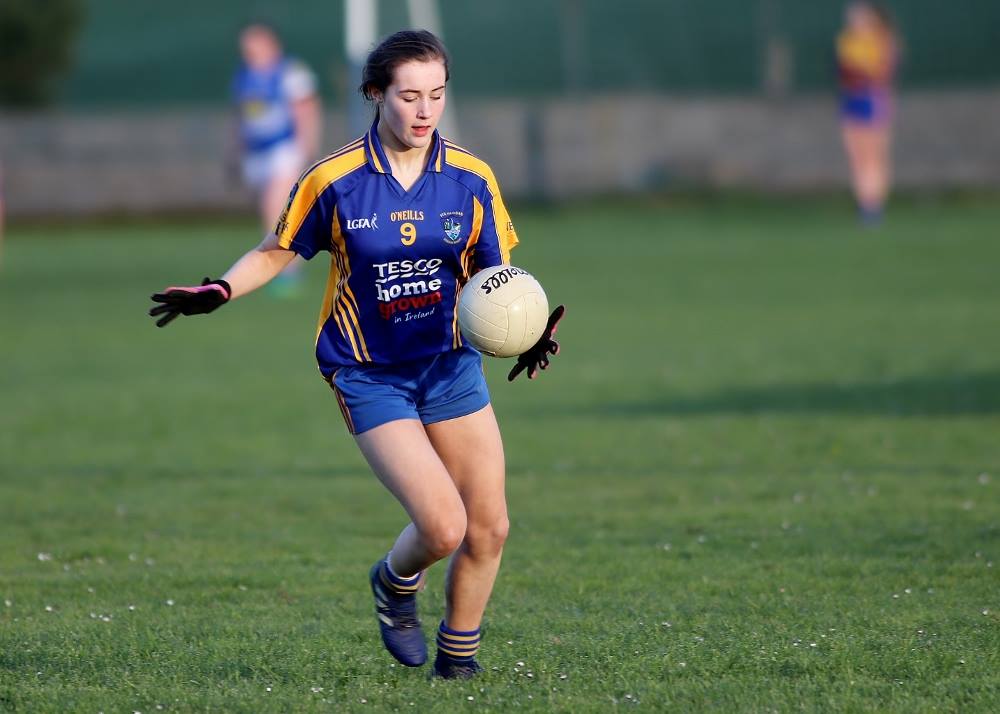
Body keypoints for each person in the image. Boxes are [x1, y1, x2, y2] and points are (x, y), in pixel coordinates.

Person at [150, 29, 564, 680]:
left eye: (436, 95)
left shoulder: (471, 178)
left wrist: (527, 331)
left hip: (449, 366)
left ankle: (458, 665)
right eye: (409, 96)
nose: (425, 111)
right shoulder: (335, 180)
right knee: (443, 528)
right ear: (375, 94)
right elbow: (276, 251)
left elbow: (497, 283)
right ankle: (394, 582)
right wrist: (221, 289)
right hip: (368, 373)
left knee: (489, 528)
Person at [230, 22, 322, 294]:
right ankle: (282, 262)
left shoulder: (291, 72)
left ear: (271, 44)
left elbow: (306, 110)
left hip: (285, 149)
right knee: (270, 209)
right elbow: (241, 120)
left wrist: (306, 149)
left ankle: (288, 272)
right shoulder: (244, 76)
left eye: (255, 44)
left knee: (275, 206)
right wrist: (234, 152)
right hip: (257, 153)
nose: (249, 51)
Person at [836, 1, 899, 226]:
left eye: (860, 16)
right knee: (857, 157)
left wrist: (860, 72)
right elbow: (844, 73)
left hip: (873, 100)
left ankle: (873, 206)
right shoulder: (847, 41)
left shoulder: (882, 40)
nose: (855, 20)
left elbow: (880, 73)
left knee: (873, 156)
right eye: (853, 16)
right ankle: (864, 202)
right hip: (851, 100)